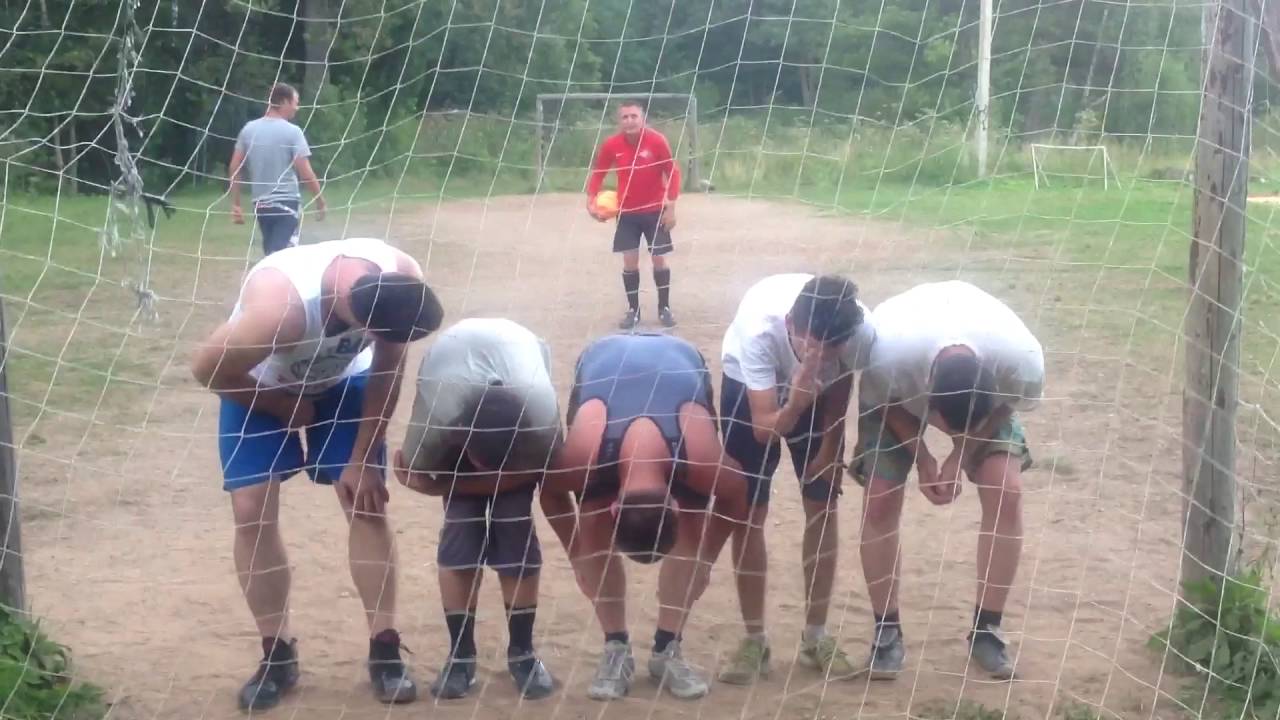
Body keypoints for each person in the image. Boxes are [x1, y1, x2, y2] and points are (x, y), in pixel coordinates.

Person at [190, 237, 443, 711]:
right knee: (250, 509)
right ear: (359, 318)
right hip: (260, 382)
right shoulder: (280, 310)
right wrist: (280, 405)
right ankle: (277, 653)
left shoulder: (400, 278)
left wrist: (362, 459)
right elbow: (208, 370)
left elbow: (387, 371)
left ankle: (384, 647)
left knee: (365, 501)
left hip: (344, 380)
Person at [850, 279, 1044, 681]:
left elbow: (1006, 405)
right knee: (880, 499)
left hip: (984, 392)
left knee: (1006, 492)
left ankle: (987, 630)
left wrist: (961, 453)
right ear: (929, 405)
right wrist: (923, 458)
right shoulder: (887, 355)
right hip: (894, 395)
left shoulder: (1021, 359)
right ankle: (887, 632)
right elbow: (883, 402)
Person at [539, 333, 747, 701]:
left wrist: (706, 560)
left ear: (675, 503)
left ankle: (667, 647)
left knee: (694, 529)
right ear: (614, 506)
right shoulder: (585, 455)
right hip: (602, 360)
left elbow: (737, 492)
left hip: (681, 357)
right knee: (590, 526)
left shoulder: (700, 458)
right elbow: (550, 491)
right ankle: (615, 647)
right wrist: (577, 556)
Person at [716, 273, 875, 685]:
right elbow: (763, 429)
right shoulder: (758, 334)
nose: (819, 358)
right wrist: (796, 403)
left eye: (831, 351)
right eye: (812, 347)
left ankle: (815, 638)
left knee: (823, 505)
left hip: (816, 397)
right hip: (753, 391)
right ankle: (755, 640)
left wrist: (829, 448)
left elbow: (841, 381)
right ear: (791, 324)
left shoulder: (858, 330)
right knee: (748, 511)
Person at [391, 317, 562, 701]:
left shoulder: (541, 417)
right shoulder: (437, 421)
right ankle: (461, 654)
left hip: (519, 351)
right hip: (451, 360)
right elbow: (414, 473)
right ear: (460, 440)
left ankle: (522, 652)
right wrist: (460, 482)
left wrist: (448, 485)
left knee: (515, 526)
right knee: (460, 529)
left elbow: (546, 471)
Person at [586, 99, 682, 330]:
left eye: (633, 116)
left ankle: (664, 308)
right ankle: (633, 310)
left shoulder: (657, 141)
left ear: (643, 119)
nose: (629, 121)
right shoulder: (612, 144)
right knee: (629, 261)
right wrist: (591, 200)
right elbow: (599, 172)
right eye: (625, 117)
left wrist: (671, 206)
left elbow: (673, 172)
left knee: (659, 259)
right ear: (619, 121)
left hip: (655, 211)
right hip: (627, 212)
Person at [229, 82, 326, 255]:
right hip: (286, 204)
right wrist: (320, 201)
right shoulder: (293, 132)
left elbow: (235, 167)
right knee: (281, 257)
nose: (297, 108)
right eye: (295, 102)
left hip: (261, 206)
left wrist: (236, 204)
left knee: (272, 253)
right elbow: (306, 172)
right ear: (284, 102)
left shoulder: (248, 130)